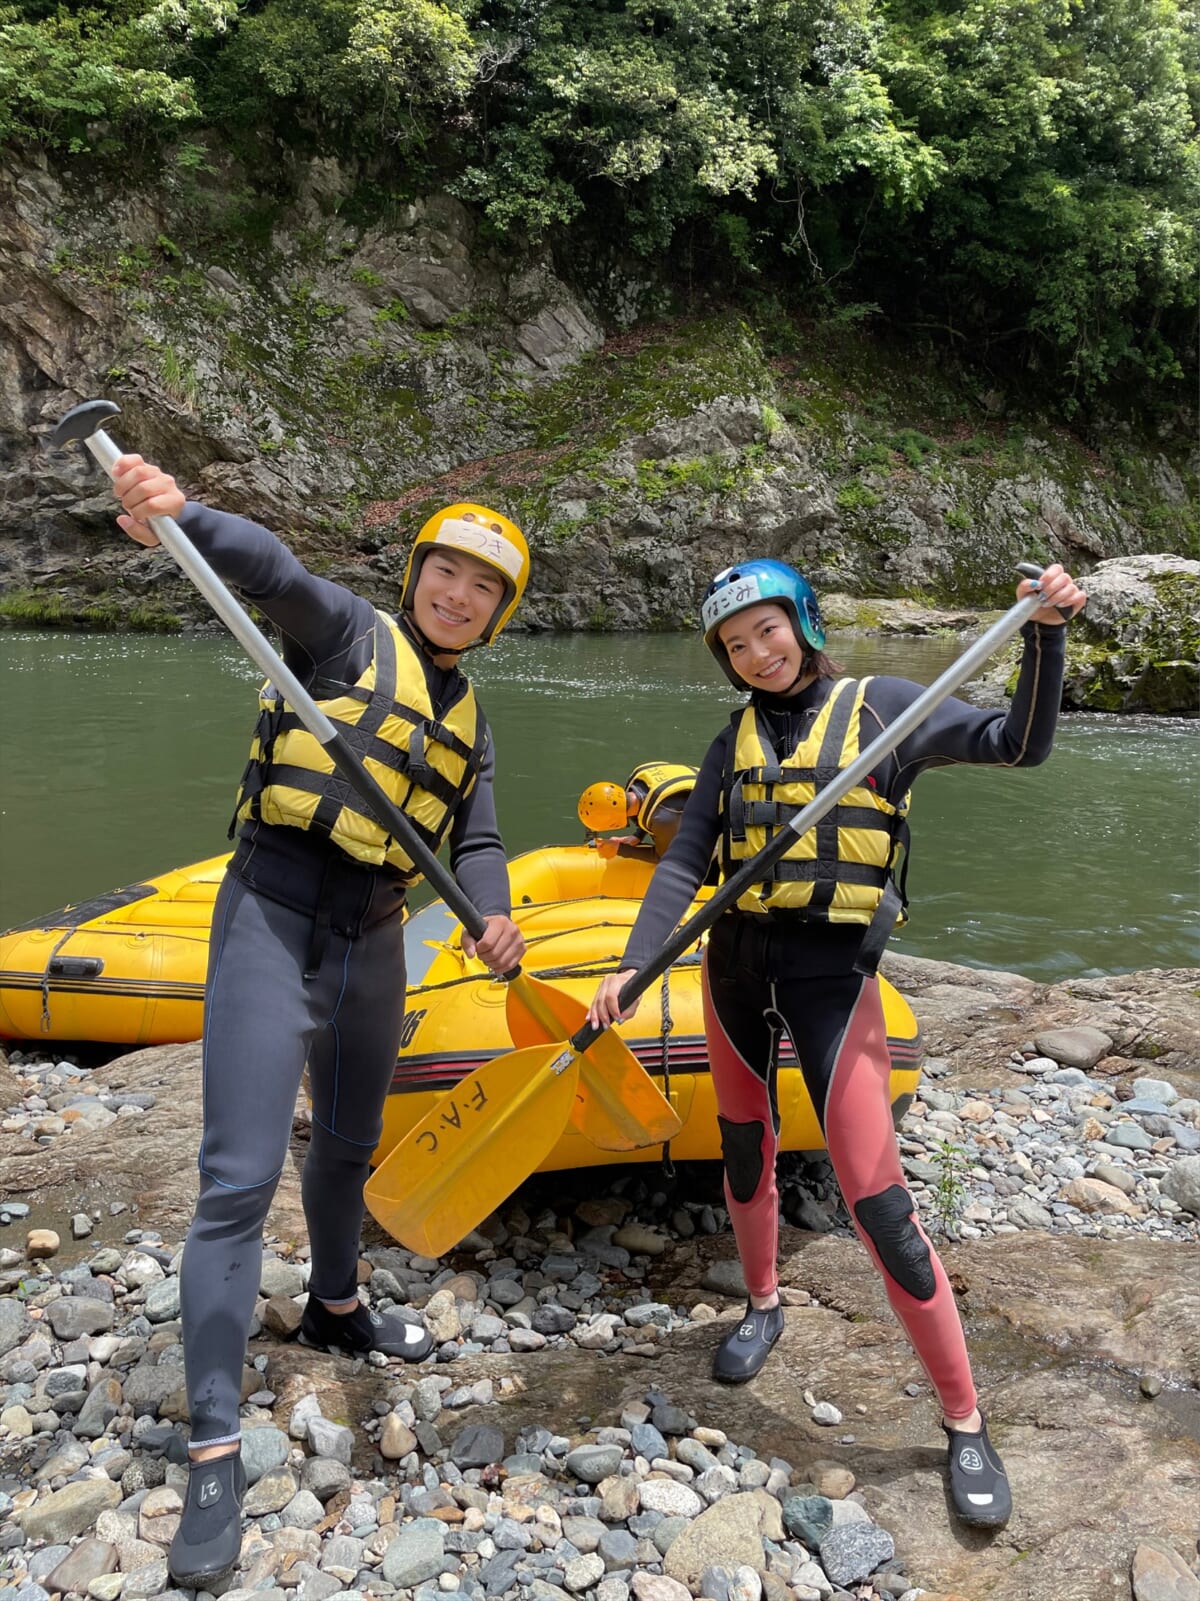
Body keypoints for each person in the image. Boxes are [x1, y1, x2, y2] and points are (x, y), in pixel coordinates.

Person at [588, 556, 1086, 1529]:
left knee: (879, 1200)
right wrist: (636, 962)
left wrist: (1045, 635)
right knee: (743, 1146)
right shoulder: (730, 742)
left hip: (831, 977)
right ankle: (763, 1301)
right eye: (736, 644)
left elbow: (1019, 743)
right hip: (732, 966)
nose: (757, 653)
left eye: (769, 630)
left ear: (804, 622)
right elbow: (687, 856)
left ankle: (964, 1417)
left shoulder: (884, 709)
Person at [111, 457, 527, 1589]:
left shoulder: (473, 717)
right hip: (276, 907)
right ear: (418, 574)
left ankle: (336, 1304)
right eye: (445, 569)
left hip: (377, 935)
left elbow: (477, 839)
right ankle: (209, 1443)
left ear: (498, 613)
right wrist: (178, 514)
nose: (456, 593)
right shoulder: (347, 634)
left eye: (482, 586)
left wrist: (492, 917)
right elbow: (271, 573)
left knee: (349, 1142)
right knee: (240, 1177)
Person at [577, 761, 698, 859]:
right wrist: (638, 836)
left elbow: (664, 857)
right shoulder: (637, 776)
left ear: (614, 824)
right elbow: (650, 802)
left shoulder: (663, 818)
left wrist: (620, 849)